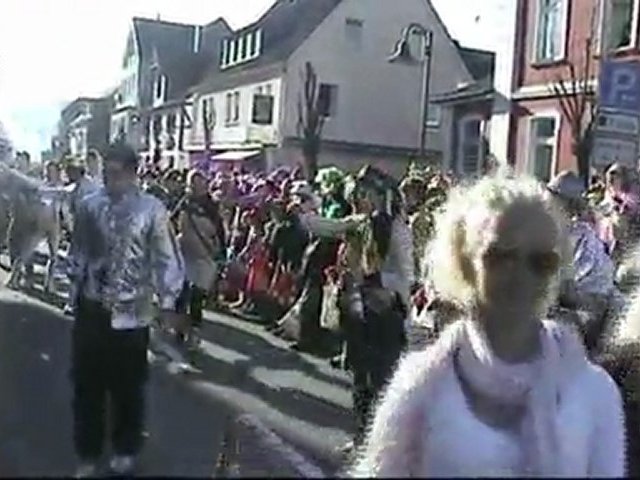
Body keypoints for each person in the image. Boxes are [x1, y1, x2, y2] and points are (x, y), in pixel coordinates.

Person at [351, 174, 625, 477]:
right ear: (464, 263)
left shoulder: (593, 391)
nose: (521, 276)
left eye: (540, 262)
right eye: (500, 257)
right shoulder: (419, 385)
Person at [68, 142, 185, 477]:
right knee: (86, 384)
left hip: (132, 313)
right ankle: (88, 451)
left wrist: (167, 302)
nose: (110, 180)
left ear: (133, 174)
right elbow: (78, 251)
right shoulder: (90, 205)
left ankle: (125, 448)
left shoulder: (152, 209)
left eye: (117, 173)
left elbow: (166, 258)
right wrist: (74, 290)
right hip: (92, 307)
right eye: (106, 173)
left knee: (128, 387)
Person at [546, 171, 617, 352]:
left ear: (567, 207)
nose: (546, 209)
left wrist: (558, 291)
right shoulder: (548, 235)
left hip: (587, 314)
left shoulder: (584, 240)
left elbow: (580, 297)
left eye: (552, 204)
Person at [175, 169, 226, 348]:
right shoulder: (185, 202)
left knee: (197, 296)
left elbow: (219, 230)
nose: (198, 186)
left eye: (200, 182)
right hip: (186, 251)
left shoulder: (211, 205)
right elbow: (173, 221)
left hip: (204, 254)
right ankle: (180, 328)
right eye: (194, 182)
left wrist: (222, 253)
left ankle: (194, 331)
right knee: (182, 293)